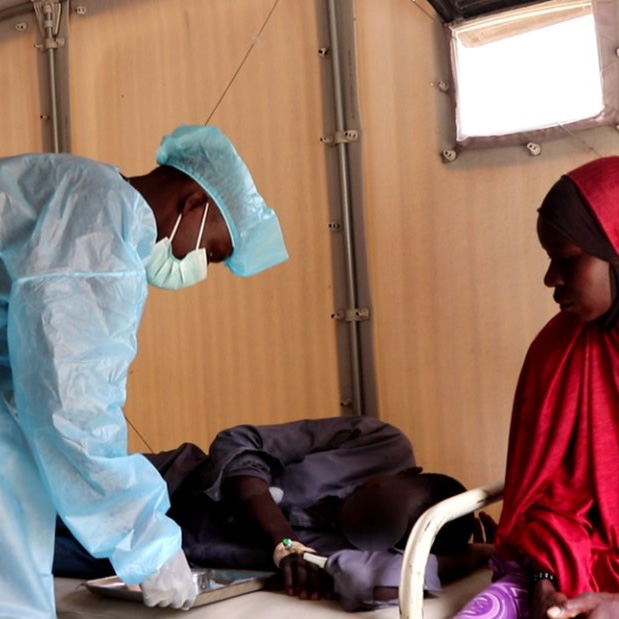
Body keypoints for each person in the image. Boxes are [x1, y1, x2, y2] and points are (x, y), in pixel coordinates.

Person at [0, 124, 288, 618]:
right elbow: (69, 406)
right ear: (194, 203)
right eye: (212, 252)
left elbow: (26, 391)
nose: (197, 266)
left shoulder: (84, 195)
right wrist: (146, 543)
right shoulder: (99, 227)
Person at [53, 416, 489, 611]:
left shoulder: (368, 552)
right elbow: (241, 441)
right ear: (406, 472)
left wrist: (476, 556)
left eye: (375, 528)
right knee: (36, 495)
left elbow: (371, 582)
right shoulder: (380, 443)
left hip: (168, 553)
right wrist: (282, 540)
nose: (356, 515)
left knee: (25, 549)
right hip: (160, 483)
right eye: (374, 495)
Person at [454, 156, 619, 619]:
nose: (551, 280)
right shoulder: (557, 352)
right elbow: (545, 501)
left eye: (566, 259)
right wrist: (546, 583)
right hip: (568, 571)